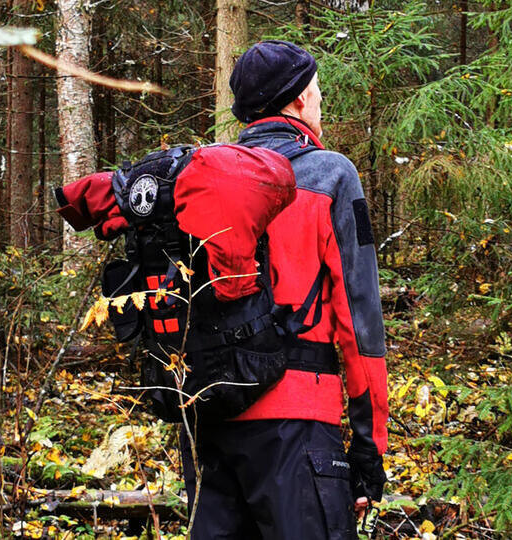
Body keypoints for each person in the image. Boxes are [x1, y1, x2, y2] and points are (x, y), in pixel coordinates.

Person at [180, 40, 389, 540]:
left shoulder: (200, 176)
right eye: (317, 93)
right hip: (299, 426)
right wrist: (368, 445)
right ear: (297, 100)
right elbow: (360, 323)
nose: (321, 104)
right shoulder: (329, 174)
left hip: (208, 419)